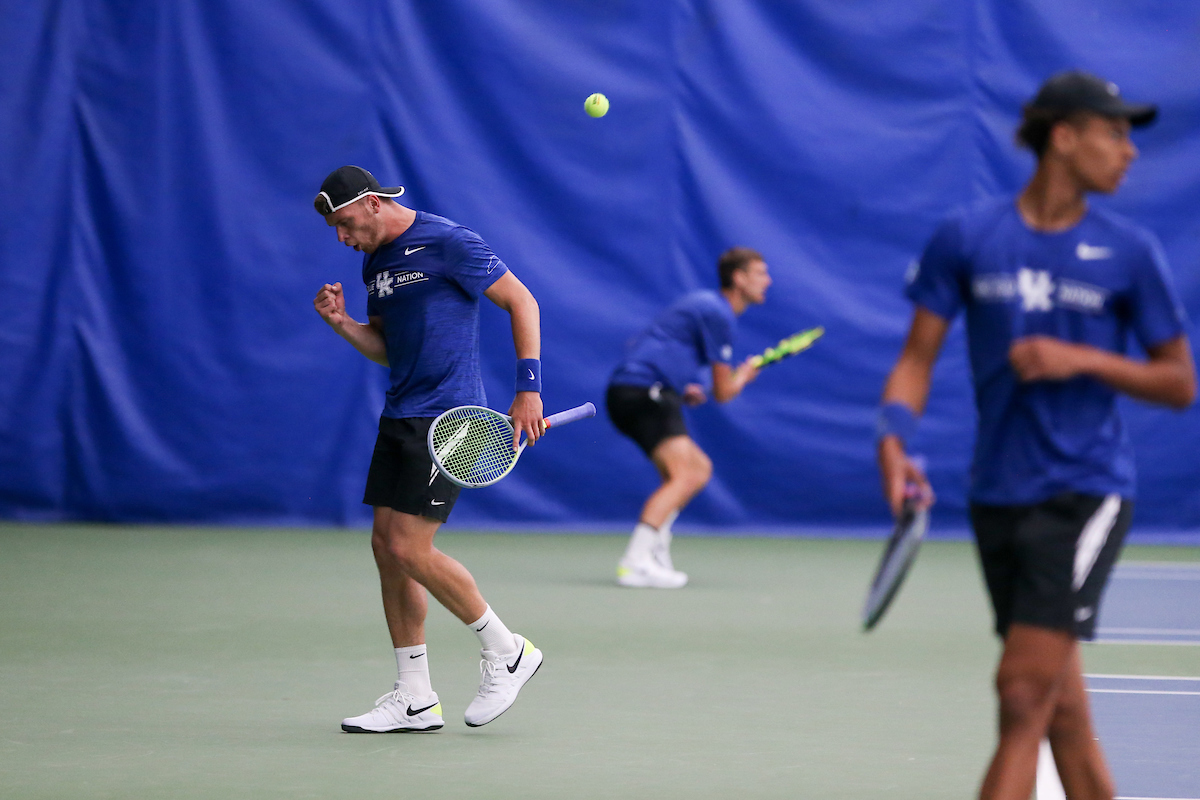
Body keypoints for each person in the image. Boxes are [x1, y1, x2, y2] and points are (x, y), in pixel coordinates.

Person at [878, 72, 1196, 800]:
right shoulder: (968, 238)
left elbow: (1179, 381)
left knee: (1022, 693)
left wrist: (1079, 357)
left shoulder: (1129, 251)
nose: (1129, 153)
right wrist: (893, 438)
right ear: (1064, 137)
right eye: (1114, 134)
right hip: (996, 494)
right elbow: (915, 360)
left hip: (1084, 493)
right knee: (1059, 708)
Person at [312, 165, 547, 732]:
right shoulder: (375, 261)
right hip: (400, 415)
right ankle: (414, 696)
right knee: (385, 549)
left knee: (410, 548)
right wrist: (342, 322)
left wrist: (528, 390)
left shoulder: (449, 241)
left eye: (346, 224)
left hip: (448, 421)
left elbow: (523, 302)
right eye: (336, 231)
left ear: (371, 205)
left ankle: (507, 650)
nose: (343, 239)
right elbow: (388, 349)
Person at [606, 247, 771, 588]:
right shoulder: (718, 313)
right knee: (684, 474)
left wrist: (684, 387)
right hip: (642, 392)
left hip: (640, 391)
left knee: (698, 469)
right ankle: (636, 561)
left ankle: (654, 552)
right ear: (738, 278)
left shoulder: (707, 307)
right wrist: (746, 374)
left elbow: (665, 346)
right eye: (760, 273)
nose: (767, 280)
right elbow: (724, 392)